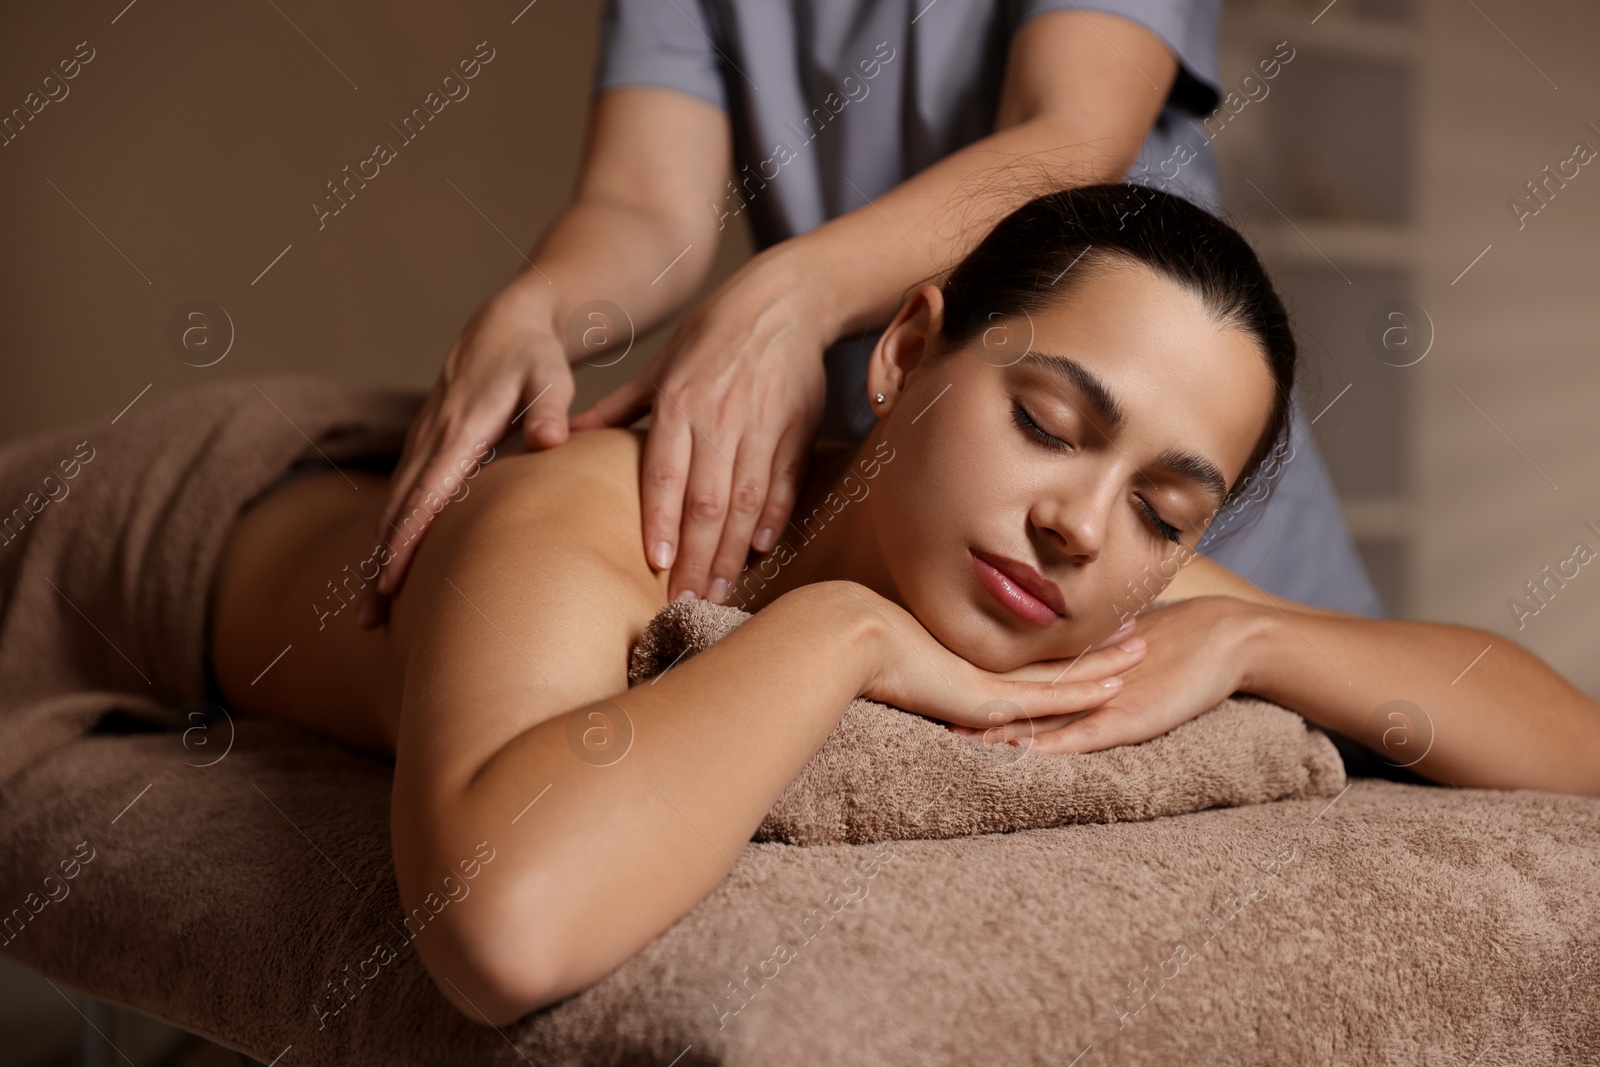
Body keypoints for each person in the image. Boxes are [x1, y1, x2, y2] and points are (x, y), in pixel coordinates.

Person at [213, 186, 1599, 1026]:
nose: (1079, 522)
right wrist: (840, 633)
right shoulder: (595, 516)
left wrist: (1258, 631)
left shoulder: (1086, 560)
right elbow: (502, 924)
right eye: (1048, 420)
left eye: (1166, 514)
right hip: (208, 504)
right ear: (909, 350)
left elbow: (1574, 749)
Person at [356, 0, 1383, 632]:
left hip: (1188, 485)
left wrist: (791, 292)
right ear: (907, 343)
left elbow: (1067, 134)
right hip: (935, 475)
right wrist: (535, 309)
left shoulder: (1138, 515)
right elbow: (642, 207)